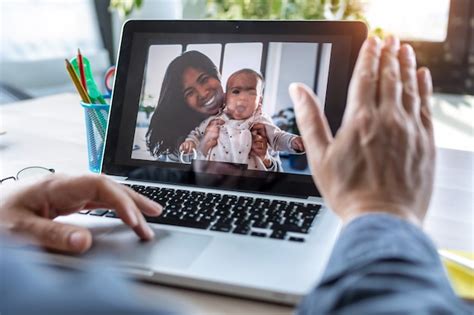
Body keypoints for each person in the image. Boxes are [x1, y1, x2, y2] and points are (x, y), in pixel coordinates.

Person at [0, 36, 469, 314]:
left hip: (262, 188)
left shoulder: (258, 122)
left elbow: (285, 144)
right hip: (167, 203)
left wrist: (285, 150)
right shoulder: (202, 129)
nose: (212, 94)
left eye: (211, 81)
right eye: (192, 91)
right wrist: (383, 212)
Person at [146, 51, 280, 171]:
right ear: (184, 101)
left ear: (217, 76)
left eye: (204, 79)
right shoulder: (181, 136)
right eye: (189, 92)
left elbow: (279, 176)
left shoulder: (255, 117)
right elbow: (175, 180)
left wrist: (265, 159)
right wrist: (201, 149)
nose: (203, 93)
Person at [180, 68, 304, 170]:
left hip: (251, 182)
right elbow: (197, 134)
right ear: (225, 98)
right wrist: (191, 143)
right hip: (216, 180)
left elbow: (278, 137)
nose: (242, 98)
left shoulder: (260, 121)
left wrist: (292, 141)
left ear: (259, 101)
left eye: (251, 93)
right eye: (236, 91)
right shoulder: (216, 120)